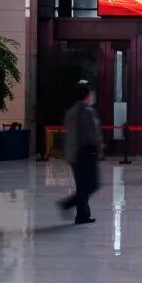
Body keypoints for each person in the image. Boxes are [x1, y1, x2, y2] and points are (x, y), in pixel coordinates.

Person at [57, 84, 101, 224]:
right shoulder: (88, 112)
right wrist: (99, 150)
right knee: (92, 185)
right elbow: (92, 135)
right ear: (87, 96)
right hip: (86, 153)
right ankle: (67, 204)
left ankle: (82, 215)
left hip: (73, 153)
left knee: (82, 185)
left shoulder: (70, 112)